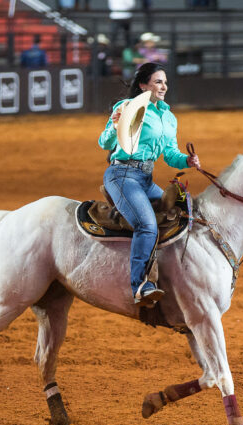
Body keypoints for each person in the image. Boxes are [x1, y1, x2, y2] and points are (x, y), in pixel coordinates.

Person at [98, 63, 201, 305]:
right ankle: (141, 286)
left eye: (165, 82)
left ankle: (177, 275)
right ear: (143, 85)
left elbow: (170, 154)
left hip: (145, 179)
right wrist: (114, 126)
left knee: (186, 211)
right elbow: (104, 143)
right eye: (158, 82)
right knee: (147, 225)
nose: (164, 86)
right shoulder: (127, 107)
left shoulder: (168, 116)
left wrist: (186, 159)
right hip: (122, 175)